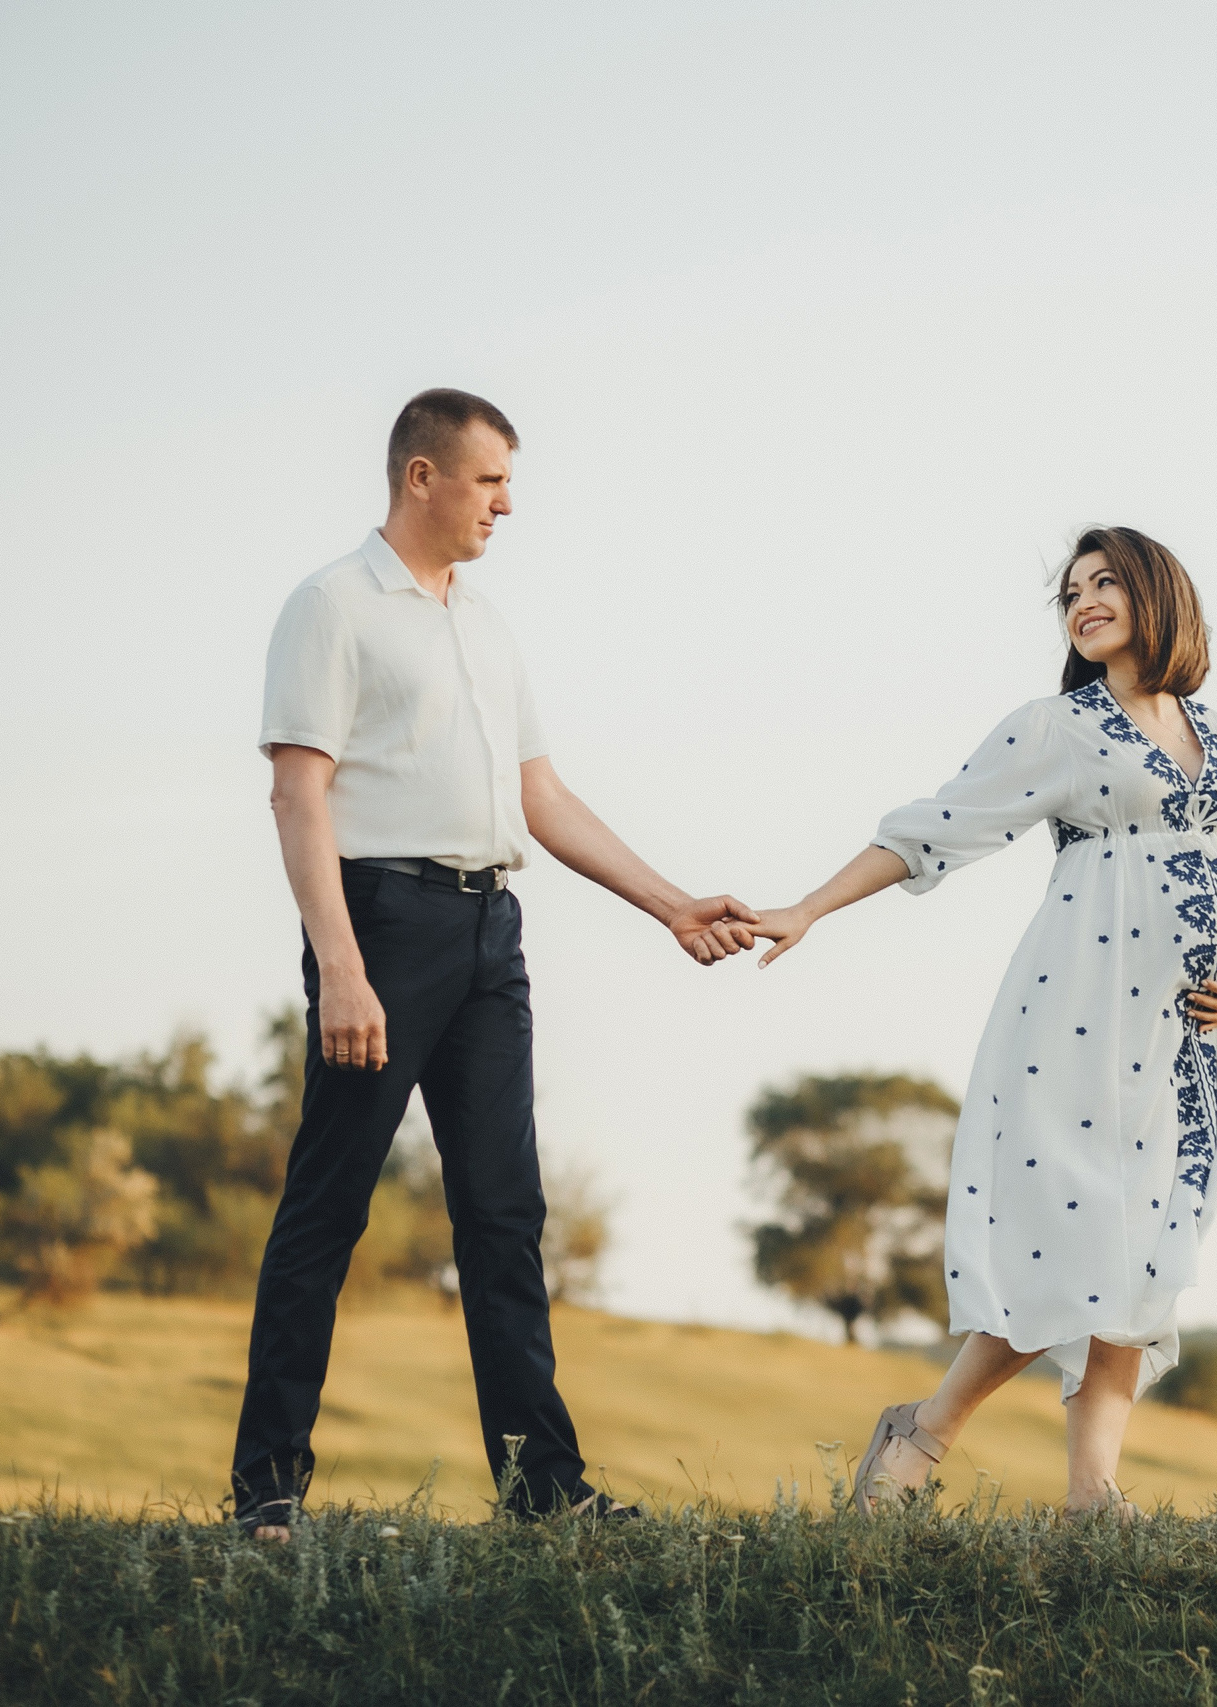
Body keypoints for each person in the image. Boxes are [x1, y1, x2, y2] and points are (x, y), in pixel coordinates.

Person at [233, 388, 758, 1538]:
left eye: (509, 483)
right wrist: (341, 969)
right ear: (421, 477)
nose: (506, 505)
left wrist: (670, 904)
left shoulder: (487, 624)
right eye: (489, 482)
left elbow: (542, 797)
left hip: (489, 935)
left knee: (505, 1219)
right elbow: (297, 794)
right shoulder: (330, 607)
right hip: (381, 925)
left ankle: (541, 1495)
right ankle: (267, 1488)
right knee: (328, 1211)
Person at [746, 526, 1217, 1516]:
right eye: (1071, 592)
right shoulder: (1057, 726)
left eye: (1105, 584)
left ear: (1158, 598)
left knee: (1149, 1251)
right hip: (1085, 1013)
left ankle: (1092, 1491)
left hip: (1202, 1039)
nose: (1082, 602)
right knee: (1075, 1237)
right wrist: (806, 909)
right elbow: (933, 826)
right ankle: (921, 1437)